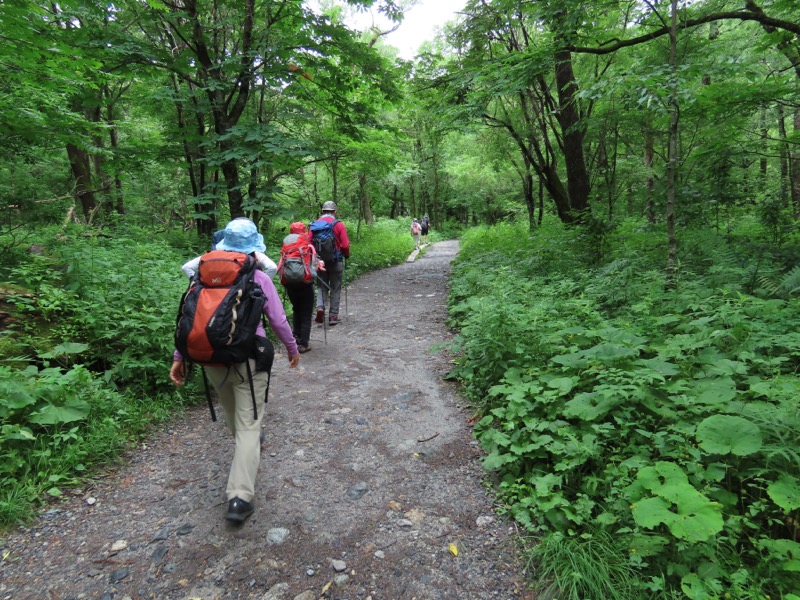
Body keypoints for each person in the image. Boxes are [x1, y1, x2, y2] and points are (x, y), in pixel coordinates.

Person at [169, 218, 300, 523]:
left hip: (209, 357)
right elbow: (279, 321)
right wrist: (292, 349)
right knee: (249, 425)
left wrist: (180, 356)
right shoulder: (258, 278)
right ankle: (240, 497)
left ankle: (247, 445)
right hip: (249, 357)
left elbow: (189, 318)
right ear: (254, 247)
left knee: (232, 413)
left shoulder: (200, 277)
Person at [181, 218, 278, 280]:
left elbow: (186, 267)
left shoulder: (214, 255)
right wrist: (262, 286)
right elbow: (272, 267)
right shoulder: (255, 254)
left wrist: (197, 283)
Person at [280, 222, 324, 353]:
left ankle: (295, 337)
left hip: (289, 283)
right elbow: (315, 264)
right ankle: (304, 343)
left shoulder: (286, 246)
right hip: (305, 283)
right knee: (306, 312)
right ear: (303, 231)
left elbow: (281, 263)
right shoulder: (307, 245)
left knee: (296, 309)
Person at [311, 201, 350, 326]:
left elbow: (309, 243)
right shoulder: (338, 225)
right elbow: (345, 244)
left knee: (321, 286)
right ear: (334, 211)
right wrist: (347, 254)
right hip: (335, 260)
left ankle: (320, 307)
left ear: (322, 211)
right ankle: (333, 316)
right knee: (335, 288)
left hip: (319, 261)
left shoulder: (315, 225)